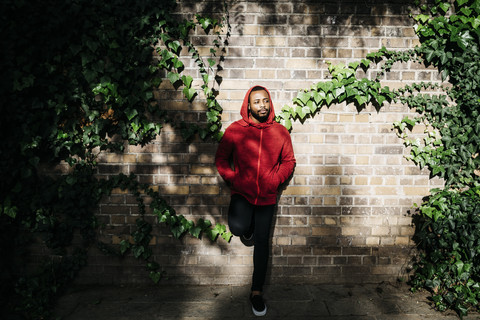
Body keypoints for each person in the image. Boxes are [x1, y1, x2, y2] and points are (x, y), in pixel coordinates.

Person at [215, 85, 296, 316]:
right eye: (257, 102)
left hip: (267, 197)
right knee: (238, 227)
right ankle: (246, 230)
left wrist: (275, 180)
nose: (262, 105)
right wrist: (234, 178)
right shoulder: (235, 130)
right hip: (242, 192)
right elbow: (221, 158)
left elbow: (289, 161)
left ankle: (256, 292)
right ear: (248, 105)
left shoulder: (280, 132)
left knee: (262, 243)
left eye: (266, 101)